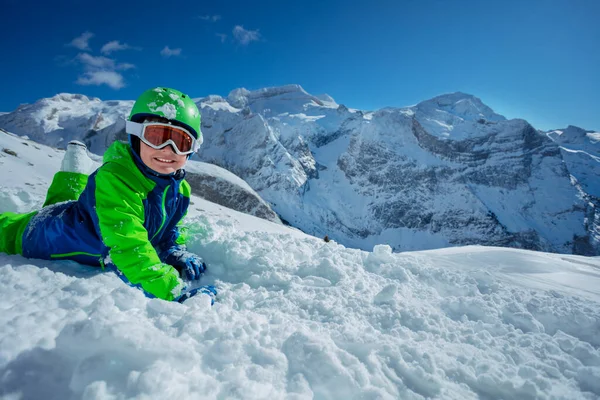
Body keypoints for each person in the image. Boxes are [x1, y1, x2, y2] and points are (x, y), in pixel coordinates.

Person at [0, 87, 216, 303]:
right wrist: (173, 290)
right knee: (14, 230)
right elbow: (127, 246)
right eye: (156, 136)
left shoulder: (180, 190)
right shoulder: (116, 179)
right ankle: (71, 175)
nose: (168, 149)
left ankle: (73, 173)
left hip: (83, 215)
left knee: (68, 204)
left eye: (180, 142)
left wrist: (174, 248)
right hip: (49, 235)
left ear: (192, 148)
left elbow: (173, 225)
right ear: (136, 135)